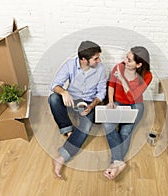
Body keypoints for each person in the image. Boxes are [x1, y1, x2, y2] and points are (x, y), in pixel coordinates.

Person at [48, 41, 107, 179]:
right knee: (53, 98)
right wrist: (63, 92)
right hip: (71, 99)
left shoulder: (101, 68)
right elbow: (54, 85)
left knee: (86, 126)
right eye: (96, 58)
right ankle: (68, 130)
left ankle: (61, 158)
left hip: (88, 102)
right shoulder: (70, 65)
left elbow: (101, 91)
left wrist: (92, 105)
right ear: (84, 60)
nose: (99, 60)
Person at [103, 46, 153, 180]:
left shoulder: (147, 76)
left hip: (134, 104)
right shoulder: (119, 67)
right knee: (108, 126)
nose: (125, 61)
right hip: (118, 102)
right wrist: (111, 101)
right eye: (126, 57)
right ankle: (118, 163)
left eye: (129, 60)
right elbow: (111, 85)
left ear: (139, 64)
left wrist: (123, 80)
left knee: (125, 132)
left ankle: (114, 164)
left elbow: (133, 97)